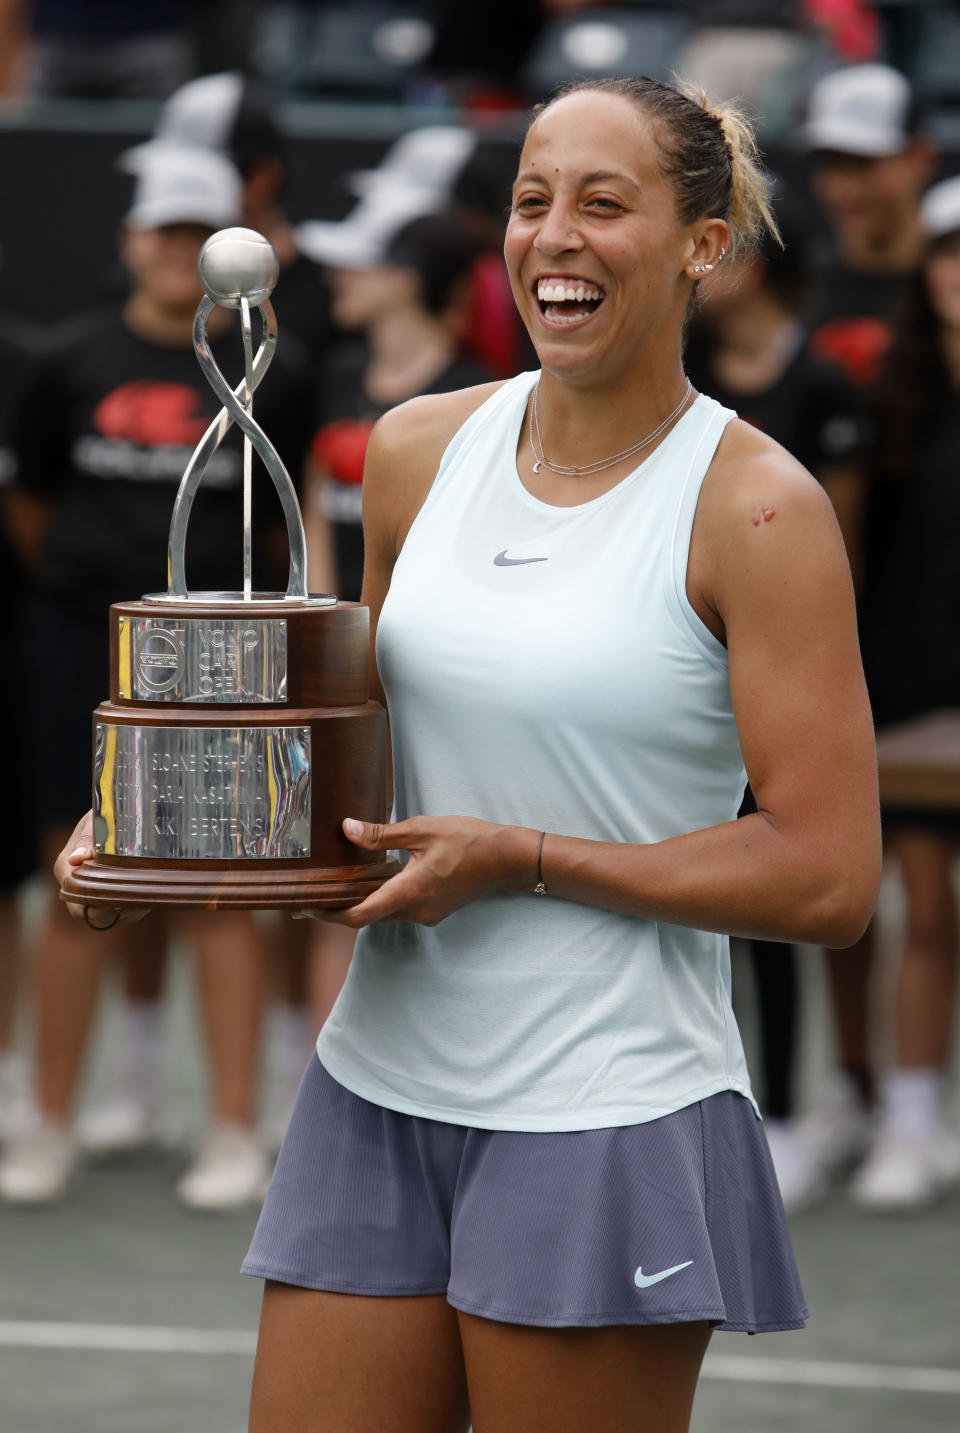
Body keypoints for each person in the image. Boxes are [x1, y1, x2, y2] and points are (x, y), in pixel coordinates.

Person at [58, 76, 880, 1431]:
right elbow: (370, 762)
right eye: (531, 201)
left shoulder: (760, 508)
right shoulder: (418, 451)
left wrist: (524, 861)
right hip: (375, 1079)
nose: (555, 235)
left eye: (605, 205)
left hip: (612, 1108)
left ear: (704, 246)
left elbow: (828, 877)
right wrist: (160, 836)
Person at [1, 145, 313, 1209]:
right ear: (132, 240)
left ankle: (232, 1128)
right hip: (79, 644)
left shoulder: (283, 367)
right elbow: (32, 507)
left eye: (199, 233)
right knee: (75, 880)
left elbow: (284, 523)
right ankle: (47, 1121)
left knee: (219, 890)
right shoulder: (66, 360)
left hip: (216, 658)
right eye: (165, 231)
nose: (181, 251)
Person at [686, 199, 870, 1210]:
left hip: (784, 688)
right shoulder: (689, 381)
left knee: (779, 907)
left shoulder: (827, 384)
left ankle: (797, 1113)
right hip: (687, 687)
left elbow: (837, 557)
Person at [793, 60, 937, 1199]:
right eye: (831, 163)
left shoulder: (937, 292)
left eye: (866, 161)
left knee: (934, 896)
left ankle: (921, 1095)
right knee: (849, 878)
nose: (847, 186)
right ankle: (855, 1087)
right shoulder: (812, 295)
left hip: (933, 614)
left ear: (918, 159)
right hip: (848, 633)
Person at [848, 173, 960, 1209]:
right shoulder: (896, 401)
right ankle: (911, 1118)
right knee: (926, 910)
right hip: (919, 693)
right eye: (950, 253)